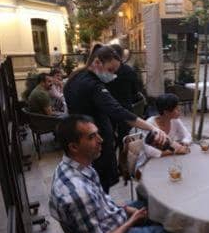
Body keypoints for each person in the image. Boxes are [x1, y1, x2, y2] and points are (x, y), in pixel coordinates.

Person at [50, 115, 195, 233]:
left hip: (110, 219)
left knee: (159, 209)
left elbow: (103, 202)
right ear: (74, 147)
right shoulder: (78, 192)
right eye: (92, 137)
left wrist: (128, 209)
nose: (101, 140)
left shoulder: (74, 167)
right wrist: (131, 221)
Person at [63, 44, 167, 193]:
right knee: (100, 187)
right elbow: (119, 112)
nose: (112, 75)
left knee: (90, 185)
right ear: (98, 62)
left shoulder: (75, 77)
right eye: (110, 70)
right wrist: (152, 128)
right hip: (95, 144)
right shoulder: (94, 86)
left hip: (79, 143)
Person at [106, 44, 143, 151]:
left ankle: (113, 152)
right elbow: (135, 91)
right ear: (121, 55)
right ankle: (123, 161)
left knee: (110, 137)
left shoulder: (105, 72)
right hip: (125, 109)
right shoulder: (129, 71)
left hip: (109, 109)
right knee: (125, 137)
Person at [144, 93, 191, 158]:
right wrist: (175, 150)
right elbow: (148, 151)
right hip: (150, 161)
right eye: (176, 108)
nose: (179, 110)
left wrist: (183, 143)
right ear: (166, 112)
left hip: (168, 157)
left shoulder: (175, 120)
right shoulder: (149, 124)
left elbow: (187, 135)